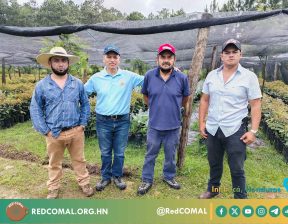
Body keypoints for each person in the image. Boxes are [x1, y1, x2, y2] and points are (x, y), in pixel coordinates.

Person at [199, 39, 262, 199]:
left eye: (234, 52)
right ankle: (213, 190)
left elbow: (255, 105)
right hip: (213, 128)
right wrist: (201, 122)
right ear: (222, 56)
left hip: (235, 129)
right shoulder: (212, 76)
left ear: (240, 54)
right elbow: (205, 100)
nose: (231, 55)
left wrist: (253, 131)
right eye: (227, 52)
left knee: (237, 167)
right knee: (214, 163)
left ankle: (240, 200)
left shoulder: (249, 77)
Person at [30, 47, 94, 199]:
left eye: (63, 60)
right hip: (53, 133)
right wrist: (46, 131)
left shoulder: (77, 83)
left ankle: (84, 183)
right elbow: (35, 109)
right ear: (50, 63)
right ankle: (53, 187)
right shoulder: (42, 86)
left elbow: (85, 104)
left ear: (68, 63)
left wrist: (82, 124)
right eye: (56, 60)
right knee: (54, 162)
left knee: (79, 160)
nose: (60, 64)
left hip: (75, 131)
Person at [84, 44, 144, 191]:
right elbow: (82, 92)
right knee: (105, 152)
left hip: (122, 120)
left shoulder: (129, 76)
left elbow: (149, 79)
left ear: (119, 59)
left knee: (119, 152)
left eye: (115, 57)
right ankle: (105, 177)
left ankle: (117, 176)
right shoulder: (96, 78)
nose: (112, 60)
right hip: (102, 120)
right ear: (104, 59)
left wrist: (168, 71)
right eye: (109, 57)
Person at [137, 43, 190, 195]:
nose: (166, 60)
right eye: (163, 57)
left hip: (173, 125)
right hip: (154, 125)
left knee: (170, 154)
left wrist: (174, 107)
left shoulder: (181, 78)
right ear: (157, 59)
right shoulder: (149, 76)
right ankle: (147, 179)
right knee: (150, 154)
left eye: (169, 57)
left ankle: (169, 176)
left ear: (174, 59)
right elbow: (146, 96)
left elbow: (185, 98)